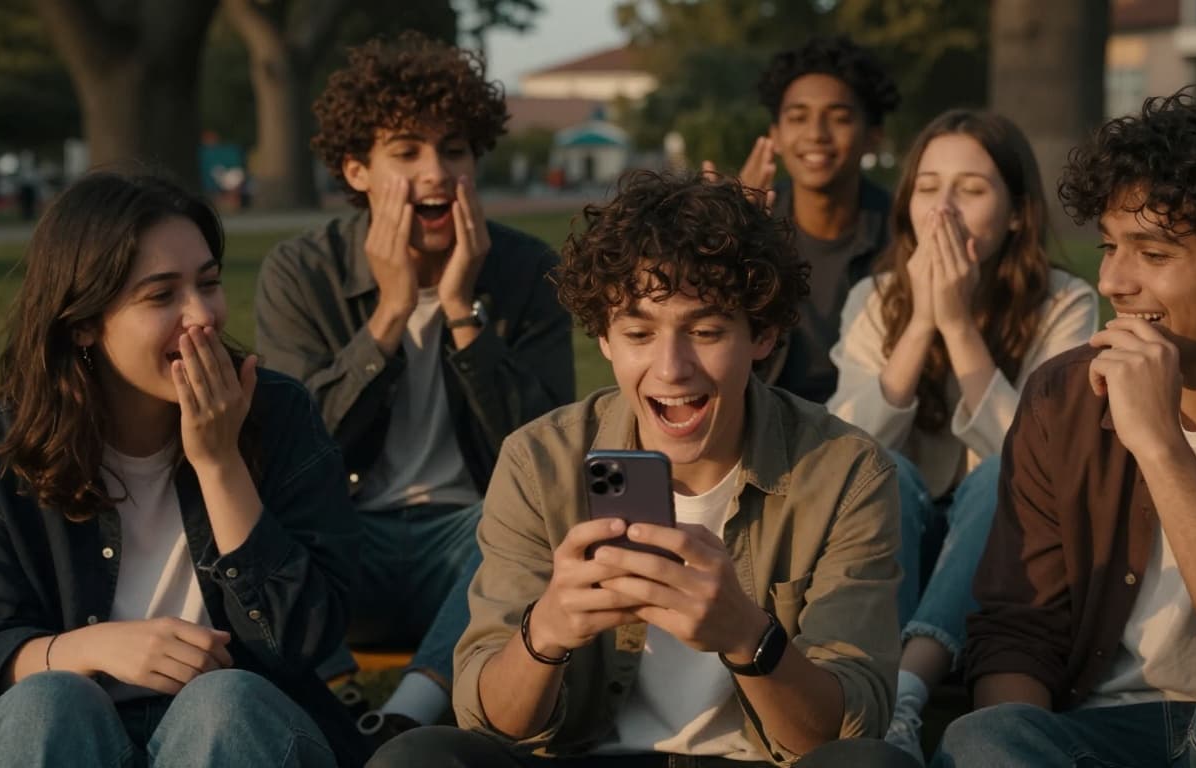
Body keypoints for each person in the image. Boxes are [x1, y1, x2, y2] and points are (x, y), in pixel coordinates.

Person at [365, 170, 916, 768]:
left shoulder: (844, 471)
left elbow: (842, 732)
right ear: (604, 337)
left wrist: (748, 637)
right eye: (638, 333)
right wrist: (545, 632)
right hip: (587, 755)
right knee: (417, 757)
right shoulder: (540, 461)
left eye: (705, 331)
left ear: (764, 334)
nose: (671, 368)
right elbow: (491, 720)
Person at [936, 90, 1196, 767]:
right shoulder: (1063, 395)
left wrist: (1160, 446)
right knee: (983, 738)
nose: (1113, 280)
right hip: (1098, 738)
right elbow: (1017, 635)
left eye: (1154, 253)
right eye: (1110, 246)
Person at [0, 171, 367, 767]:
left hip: (242, 735)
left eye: (208, 283)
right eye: (161, 296)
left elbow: (303, 640)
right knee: (45, 702)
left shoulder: (278, 415)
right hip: (73, 731)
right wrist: (91, 647)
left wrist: (219, 462)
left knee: (223, 701)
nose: (201, 316)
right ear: (83, 321)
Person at [255, 31, 575, 738]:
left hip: (471, 544)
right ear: (357, 169)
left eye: (454, 149)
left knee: (537, 527)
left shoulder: (524, 272)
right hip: (345, 538)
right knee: (245, 512)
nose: (438, 172)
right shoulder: (300, 273)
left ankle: (404, 721)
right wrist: (391, 314)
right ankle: (341, 703)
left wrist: (464, 315)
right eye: (406, 151)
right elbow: (292, 447)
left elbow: (549, 455)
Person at [825, 109, 1097, 764]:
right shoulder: (874, 295)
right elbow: (843, 457)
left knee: (997, 477)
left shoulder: (1067, 304)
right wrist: (921, 324)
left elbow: (1049, 465)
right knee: (885, 468)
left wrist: (960, 328)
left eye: (971, 189)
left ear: (1014, 214)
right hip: (902, 520)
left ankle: (905, 688)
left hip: (1011, 535)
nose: (942, 210)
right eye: (927, 187)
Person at [713, 36, 899, 404]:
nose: (816, 134)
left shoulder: (905, 233)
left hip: (877, 428)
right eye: (798, 117)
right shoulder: (745, 221)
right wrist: (726, 237)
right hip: (764, 425)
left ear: (872, 137)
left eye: (839, 117)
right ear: (776, 136)